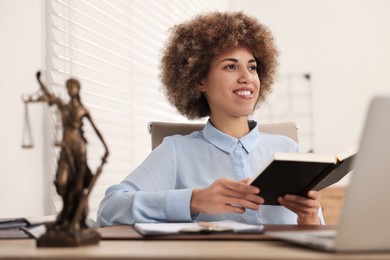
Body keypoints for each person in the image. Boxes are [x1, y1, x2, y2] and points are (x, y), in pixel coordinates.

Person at [97, 11, 324, 226]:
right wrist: (194, 201)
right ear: (199, 81)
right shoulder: (176, 151)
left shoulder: (289, 149)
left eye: (252, 67)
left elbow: (318, 237)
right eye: (231, 66)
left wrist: (311, 220)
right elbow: (109, 210)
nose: (247, 77)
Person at [25, 72, 109, 232]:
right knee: (62, 182)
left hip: (79, 149)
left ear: (77, 89)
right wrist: (39, 81)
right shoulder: (63, 106)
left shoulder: (82, 110)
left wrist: (106, 148)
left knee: (77, 187)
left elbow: (96, 130)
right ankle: (66, 214)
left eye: (72, 86)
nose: (69, 89)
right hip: (66, 149)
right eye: (68, 86)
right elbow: (49, 95)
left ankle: (74, 218)